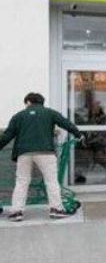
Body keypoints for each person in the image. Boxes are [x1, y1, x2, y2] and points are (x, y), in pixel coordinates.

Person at [0, 92, 81, 222]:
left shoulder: (19, 116)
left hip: (24, 153)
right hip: (46, 152)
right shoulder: (50, 113)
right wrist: (77, 134)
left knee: (22, 181)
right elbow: (66, 123)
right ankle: (56, 210)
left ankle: (16, 212)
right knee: (51, 182)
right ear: (41, 102)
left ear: (28, 102)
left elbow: (7, 135)